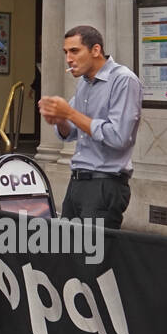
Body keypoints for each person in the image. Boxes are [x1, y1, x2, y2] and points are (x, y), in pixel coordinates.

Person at [38, 24, 143, 230]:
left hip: (105, 184)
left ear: (96, 50)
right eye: (66, 52)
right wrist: (59, 120)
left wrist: (69, 113)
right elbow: (72, 133)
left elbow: (119, 137)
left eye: (75, 51)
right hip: (78, 181)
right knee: (68, 254)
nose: (69, 58)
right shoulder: (85, 82)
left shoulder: (123, 80)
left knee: (91, 258)